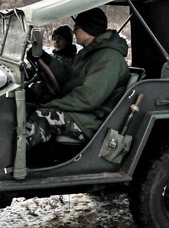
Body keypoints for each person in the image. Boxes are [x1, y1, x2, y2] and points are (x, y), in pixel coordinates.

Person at [26, 8, 130, 149]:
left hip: (93, 120)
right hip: (82, 112)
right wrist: (45, 58)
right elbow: (67, 72)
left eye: (77, 27)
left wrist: (53, 104)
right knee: (24, 108)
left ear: (89, 29)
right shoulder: (90, 53)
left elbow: (88, 97)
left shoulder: (109, 59)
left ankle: (17, 165)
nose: (74, 31)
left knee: (41, 116)